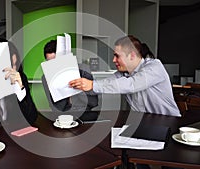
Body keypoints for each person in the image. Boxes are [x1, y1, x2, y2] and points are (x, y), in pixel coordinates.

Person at [69, 35, 181, 169]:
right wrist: (77, 86)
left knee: (169, 164)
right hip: (144, 123)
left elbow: (132, 84)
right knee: (137, 159)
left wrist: (92, 85)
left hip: (168, 123)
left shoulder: (154, 66)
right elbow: (104, 85)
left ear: (132, 55)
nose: (113, 60)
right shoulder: (122, 73)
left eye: (117, 56)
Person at [42, 40, 99, 119]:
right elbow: (54, 107)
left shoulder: (83, 69)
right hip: (62, 117)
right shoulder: (46, 78)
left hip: (86, 114)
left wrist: (77, 90)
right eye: (50, 62)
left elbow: (94, 102)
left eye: (56, 61)